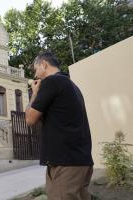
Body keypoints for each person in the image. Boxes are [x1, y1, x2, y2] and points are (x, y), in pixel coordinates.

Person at [25, 52, 94, 200]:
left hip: (65, 163)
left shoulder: (52, 82)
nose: (36, 75)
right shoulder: (73, 86)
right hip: (80, 160)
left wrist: (34, 93)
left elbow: (30, 119)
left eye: (36, 69)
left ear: (44, 64)